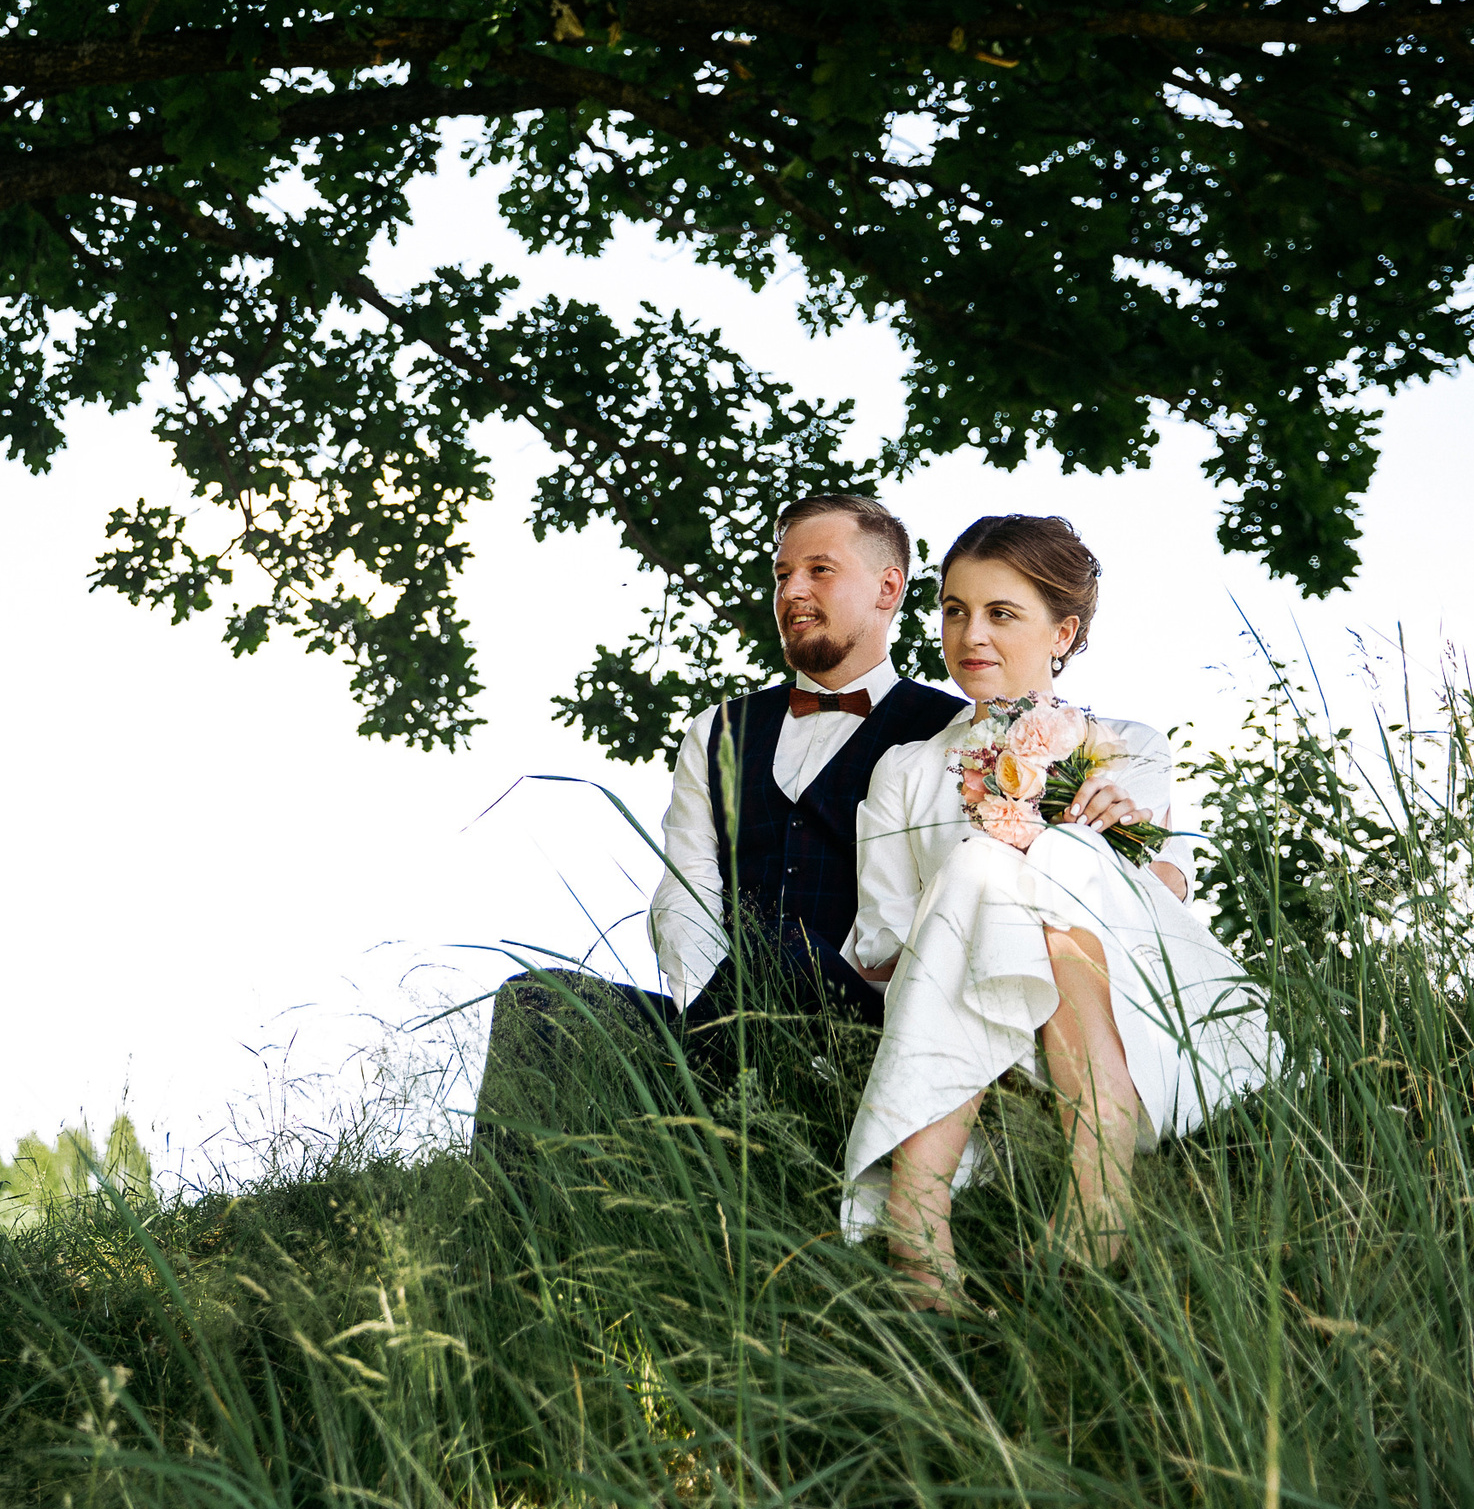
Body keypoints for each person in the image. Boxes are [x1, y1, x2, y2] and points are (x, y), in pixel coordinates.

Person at [469, 495, 1156, 1170]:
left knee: (783, 955)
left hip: (878, 1010)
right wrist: (724, 1026)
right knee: (538, 1004)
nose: (792, 590)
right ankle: (509, 1260)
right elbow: (684, 895)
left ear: (889, 587)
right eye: (781, 574)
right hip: (724, 1009)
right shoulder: (716, 731)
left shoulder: (957, 735)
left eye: (819, 570)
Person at [839, 515, 1276, 1309]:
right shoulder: (903, 769)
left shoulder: (1124, 746)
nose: (970, 633)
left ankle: (917, 1216)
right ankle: (1094, 1191)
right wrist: (976, 929)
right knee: (980, 862)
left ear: (1062, 630)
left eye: (1001, 613)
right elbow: (881, 943)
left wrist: (1113, 838)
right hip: (964, 1014)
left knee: (1058, 853)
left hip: (1122, 997)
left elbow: (1163, 898)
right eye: (954, 608)